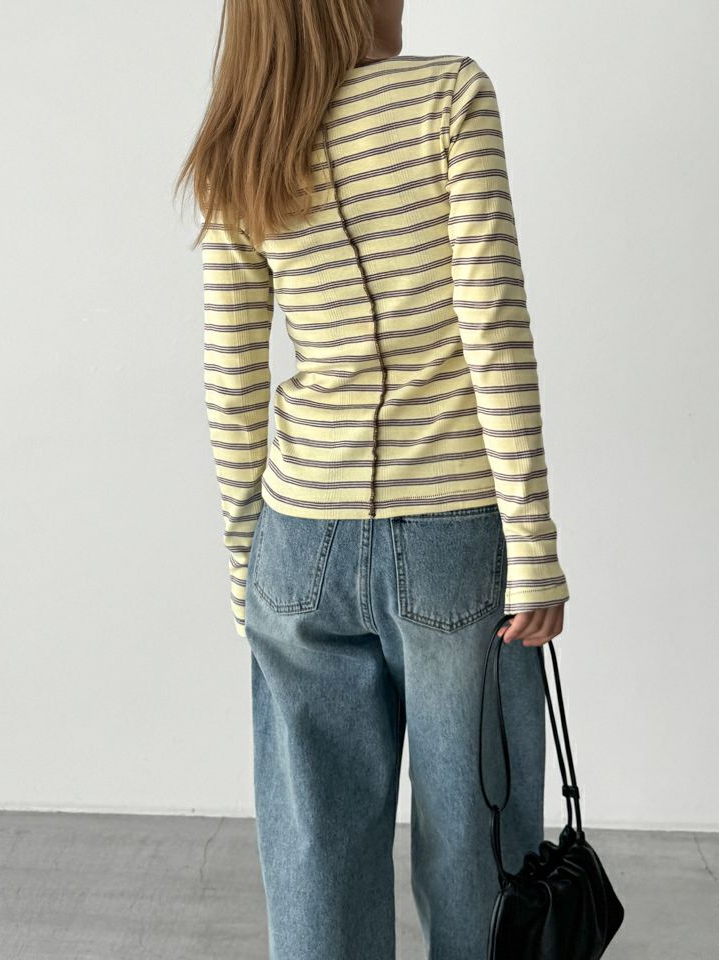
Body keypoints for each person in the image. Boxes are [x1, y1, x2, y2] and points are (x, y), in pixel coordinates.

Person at [176, 1, 569, 957]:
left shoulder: (239, 138)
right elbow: (491, 326)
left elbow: (233, 381)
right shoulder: (449, 97)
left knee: (315, 851)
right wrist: (533, 544)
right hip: (453, 537)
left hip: (294, 541)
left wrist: (244, 569)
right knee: (477, 849)